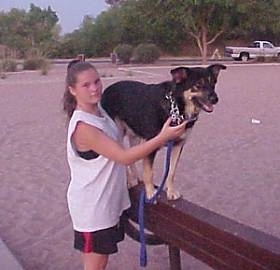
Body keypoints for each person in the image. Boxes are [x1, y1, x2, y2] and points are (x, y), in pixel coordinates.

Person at [63, 60, 187, 270]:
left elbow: (129, 127)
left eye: (97, 81)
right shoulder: (84, 127)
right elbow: (124, 157)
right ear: (72, 90)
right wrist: (162, 137)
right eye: (86, 85)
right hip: (92, 208)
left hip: (107, 202)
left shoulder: (100, 113)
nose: (94, 88)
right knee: (95, 265)